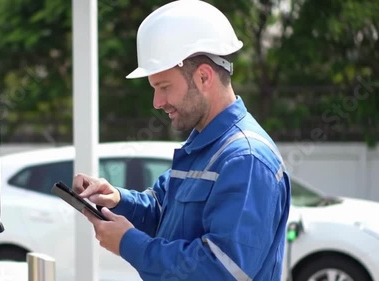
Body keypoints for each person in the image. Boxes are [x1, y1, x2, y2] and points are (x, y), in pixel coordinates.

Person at [73, 0, 291, 280]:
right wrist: (116, 198)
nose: (157, 102)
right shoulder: (202, 145)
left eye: (164, 87)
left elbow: (223, 270)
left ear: (203, 76)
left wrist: (129, 244)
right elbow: (163, 212)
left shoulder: (246, 159)